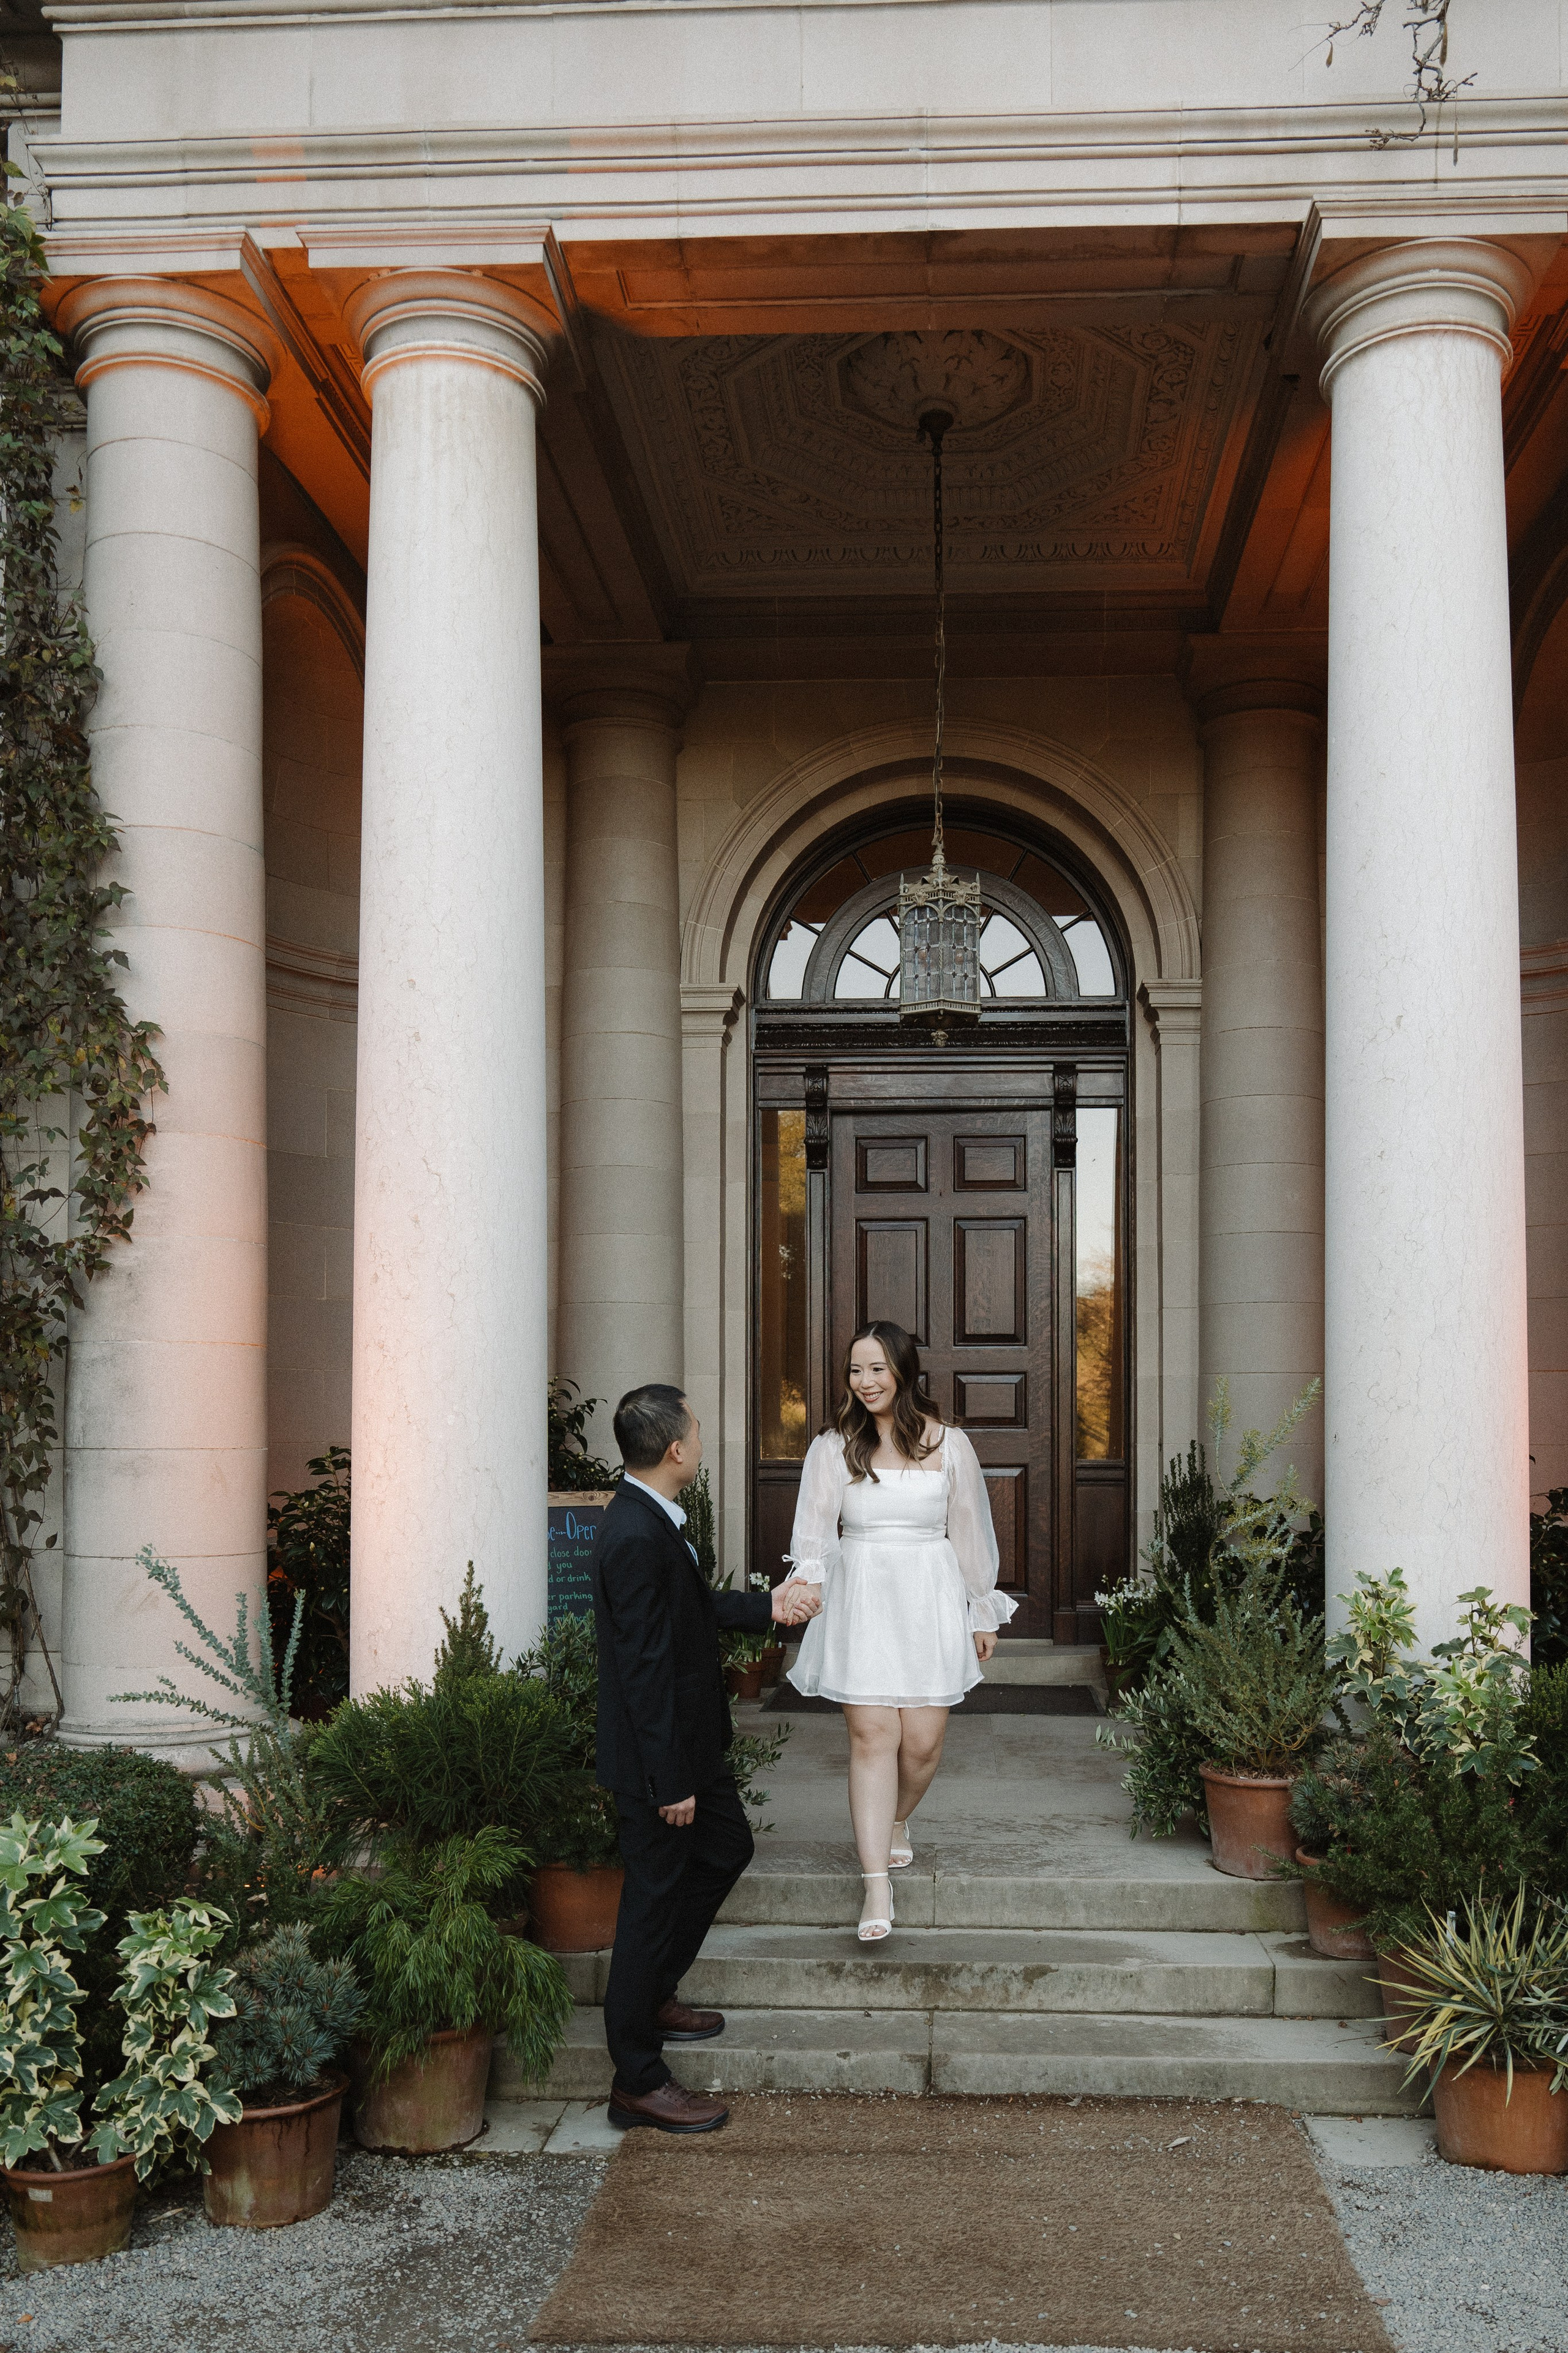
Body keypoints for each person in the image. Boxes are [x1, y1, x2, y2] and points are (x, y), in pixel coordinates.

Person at [589, 1382, 820, 2134]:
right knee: (649, 1902)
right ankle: (638, 2078)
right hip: (664, 1762)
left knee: (726, 1847)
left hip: (691, 1747)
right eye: (695, 1427)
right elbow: (644, 1668)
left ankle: (655, 1991)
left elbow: (687, 1614)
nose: (701, 1435)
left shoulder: (652, 1518)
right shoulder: (631, 1533)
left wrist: (768, 1606)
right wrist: (669, 1780)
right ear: (677, 1449)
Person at [784, 1320, 1016, 1942]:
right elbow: (813, 1535)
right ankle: (875, 1888)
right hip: (861, 1596)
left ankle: (893, 1821)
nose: (865, 1382)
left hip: (929, 1597)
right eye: (855, 1370)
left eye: (877, 1369)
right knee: (871, 1735)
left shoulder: (949, 1444)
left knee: (921, 1744)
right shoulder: (833, 1447)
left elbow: (968, 1531)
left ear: (904, 1373)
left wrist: (979, 1609)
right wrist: (808, 1592)